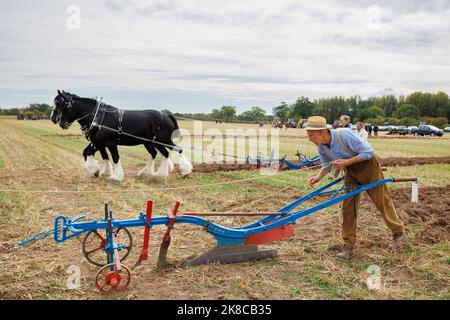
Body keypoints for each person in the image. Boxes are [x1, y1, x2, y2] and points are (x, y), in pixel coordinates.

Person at [305, 116, 406, 260]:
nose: (309, 139)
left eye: (311, 135)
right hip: (351, 171)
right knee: (348, 206)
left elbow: (369, 152)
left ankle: (399, 233)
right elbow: (327, 165)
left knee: (381, 201)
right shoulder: (321, 146)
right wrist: (318, 177)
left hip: (368, 166)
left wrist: (347, 161)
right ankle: (348, 245)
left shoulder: (343, 135)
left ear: (322, 132)